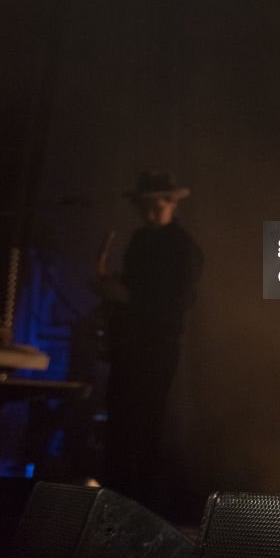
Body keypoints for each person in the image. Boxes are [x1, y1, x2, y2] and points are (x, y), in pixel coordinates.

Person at [92, 170, 202, 509]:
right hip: (127, 348)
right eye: (145, 205)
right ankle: (114, 501)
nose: (151, 212)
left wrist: (124, 295)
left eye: (158, 204)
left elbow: (175, 303)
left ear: (172, 204)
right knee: (119, 424)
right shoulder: (140, 240)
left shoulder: (184, 248)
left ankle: (139, 506)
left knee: (145, 425)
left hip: (156, 349)